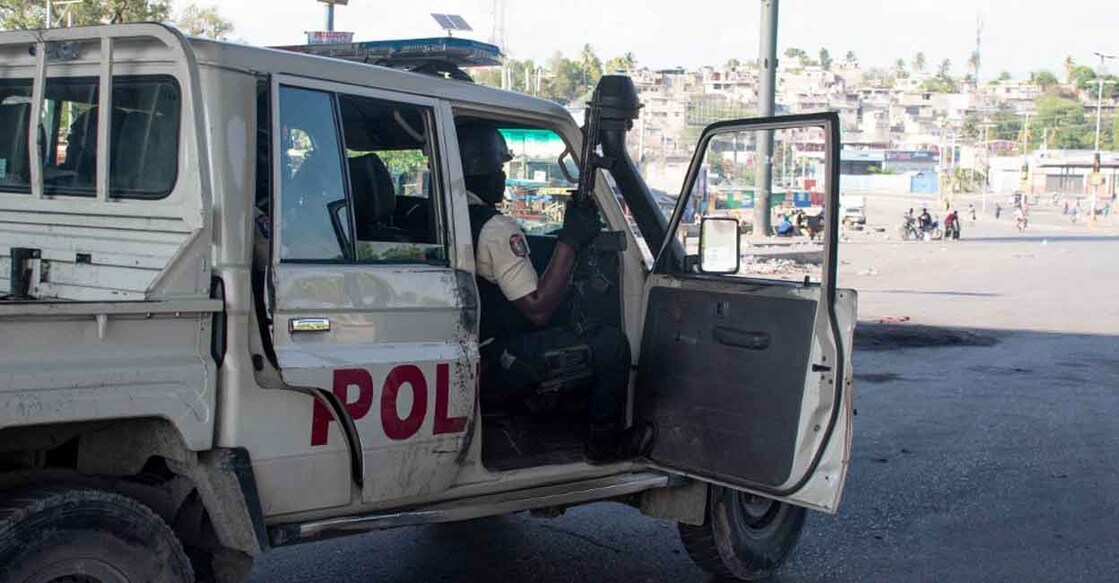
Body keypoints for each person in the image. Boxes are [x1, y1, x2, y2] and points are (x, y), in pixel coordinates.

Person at [457, 122, 642, 464]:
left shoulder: (438, 215)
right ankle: (604, 444)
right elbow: (539, 308)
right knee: (612, 345)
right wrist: (570, 241)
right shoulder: (495, 229)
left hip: (469, 350)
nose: (502, 176)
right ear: (477, 168)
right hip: (496, 359)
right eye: (499, 167)